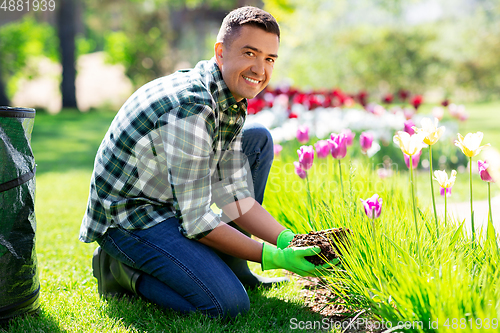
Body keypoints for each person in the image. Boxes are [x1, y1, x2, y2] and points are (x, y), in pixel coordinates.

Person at [79, 6, 334, 319]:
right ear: (221, 52)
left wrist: (287, 240)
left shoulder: (228, 97)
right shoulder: (193, 107)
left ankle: (233, 268)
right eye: (250, 53)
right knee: (226, 305)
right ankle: (119, 269)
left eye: (269, 59)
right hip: (131, 219)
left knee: (257, 139)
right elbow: (197, 221)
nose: (260, 69)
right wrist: (273, 256)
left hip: (168, 201)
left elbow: (235, 196)